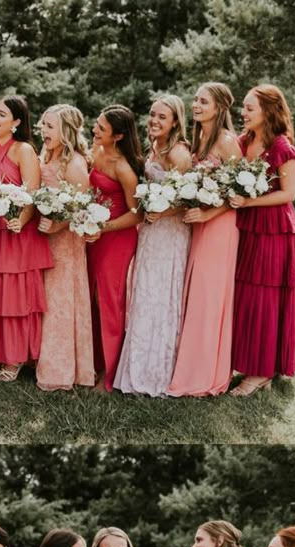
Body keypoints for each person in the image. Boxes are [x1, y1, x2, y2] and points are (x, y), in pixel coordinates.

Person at [0, 95, 53, 382]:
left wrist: (22, 219)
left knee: (15, 298)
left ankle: (15, 359)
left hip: (17, 233)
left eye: (1, 114)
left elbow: (32, 191)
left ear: (16, 122)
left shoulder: (23, 150)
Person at [229, 85, 295, 396]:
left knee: (264, 299)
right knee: (247, 296)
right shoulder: (244, 141)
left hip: (273, 229)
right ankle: (250, 362)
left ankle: (261, 372)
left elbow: (289, 194)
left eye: (249, 108)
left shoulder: (280, 146)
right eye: (244, 108)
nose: (244, 113)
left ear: (268, 111)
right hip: (248, 227)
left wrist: (248, 203)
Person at [115, 96, 192, 396]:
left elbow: (188, 197)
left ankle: (158, 373)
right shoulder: (154, 149)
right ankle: (135, 368)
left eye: (162, 117)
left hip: (170, 233)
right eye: (152, 115)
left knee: (161, 294)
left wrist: (164, 212)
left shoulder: (178, 153)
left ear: (175, 121)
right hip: (150, 231)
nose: (155, 121)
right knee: (144, 293)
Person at [168, 83, 242, 397]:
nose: (196, 105)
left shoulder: (228, 142)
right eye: (195, 100)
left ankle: (204, 375)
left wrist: (209, 215)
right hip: (197, 224)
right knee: (193, 294)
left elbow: (240, 192)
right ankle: (188, 366)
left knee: (208, 298)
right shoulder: (198, 139)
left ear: (219, 107)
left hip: (220, 226)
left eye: (203, 101)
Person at [35, 105, 96, 391]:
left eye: (49, 126)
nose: (43, 131)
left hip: (65, 242)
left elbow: (83, 209)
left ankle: (59, 370)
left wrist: (58, 226)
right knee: (45, 300)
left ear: (66, 131)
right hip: (43, 238)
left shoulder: (74, 164)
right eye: (43, 125)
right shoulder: (47, 155)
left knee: (60, 303)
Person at [85, 105, 143, 391]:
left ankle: (109, 373)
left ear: (118, 136)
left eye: (102, 128)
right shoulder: (95, 153)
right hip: (93, 236)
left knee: (109, 301)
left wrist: (103, 228)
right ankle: (93, 362)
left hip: (116, 238)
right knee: (92, 299)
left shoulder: (124, 168)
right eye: (96, 124)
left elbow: (137, 215)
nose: (95, 129)